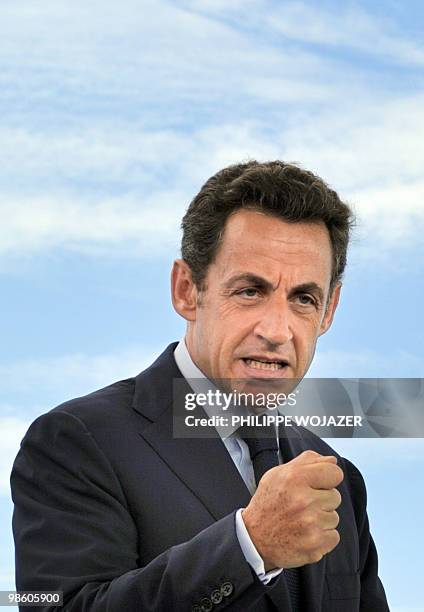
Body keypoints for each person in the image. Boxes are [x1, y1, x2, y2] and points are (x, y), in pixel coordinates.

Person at [11, 161, 389, 611]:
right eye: (250, 290)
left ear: (329, 311)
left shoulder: (339, 478)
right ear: (187, 290)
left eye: (303, 299)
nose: (278, 330)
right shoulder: (74, 440)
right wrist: (248, 548)